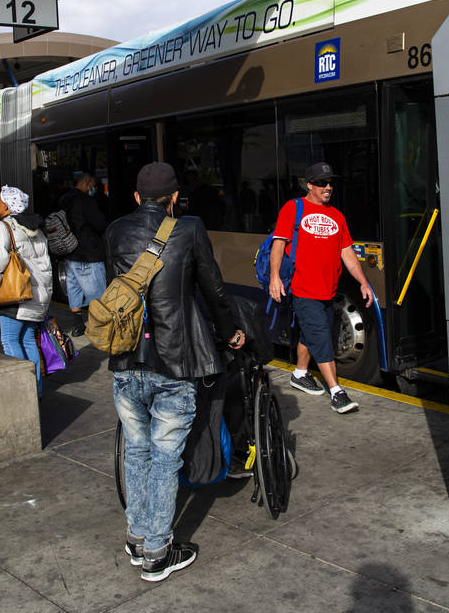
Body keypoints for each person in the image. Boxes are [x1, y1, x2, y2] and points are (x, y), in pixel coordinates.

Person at [104, 162, 244, 582]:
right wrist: (231, 330)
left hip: (127, 359)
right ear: (174, 199)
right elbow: (212, 287)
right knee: (166, 459)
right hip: (175, 360)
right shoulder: (189, 229)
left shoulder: (114, 232)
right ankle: (158, 552)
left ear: (135, 198)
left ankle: (136, 536)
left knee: (136, 450)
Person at [269, 161, 374, 414]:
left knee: (313, 332)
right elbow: (279, 245)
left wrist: (363, 281)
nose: (328, 187)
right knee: (322, 336)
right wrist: (274, 277)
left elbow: (346, 252)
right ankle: (336, 392)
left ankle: (300, 373)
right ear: (309, 185)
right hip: (303, 289)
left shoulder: (337, 216)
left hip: (329, 290)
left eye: (330, 183)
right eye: (322, 183)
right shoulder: (293, 209)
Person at [0, 186, 53, 398]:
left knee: (10, 340)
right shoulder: (37, 228)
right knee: (26, 340)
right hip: (38, 295)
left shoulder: (3, 227)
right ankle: (37, 391)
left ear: (7, 206)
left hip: (16, 297)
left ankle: (22, 393)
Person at [59, 172, 107, 337]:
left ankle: (78, 324)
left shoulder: (64, 200)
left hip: (69, 253)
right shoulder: (85, 201)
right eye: (93, 184)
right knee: (98, 294)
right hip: (88, 253)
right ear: (86, 183)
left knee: (74, 288)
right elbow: (99, 223)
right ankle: (100, 328)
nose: (94, 188)